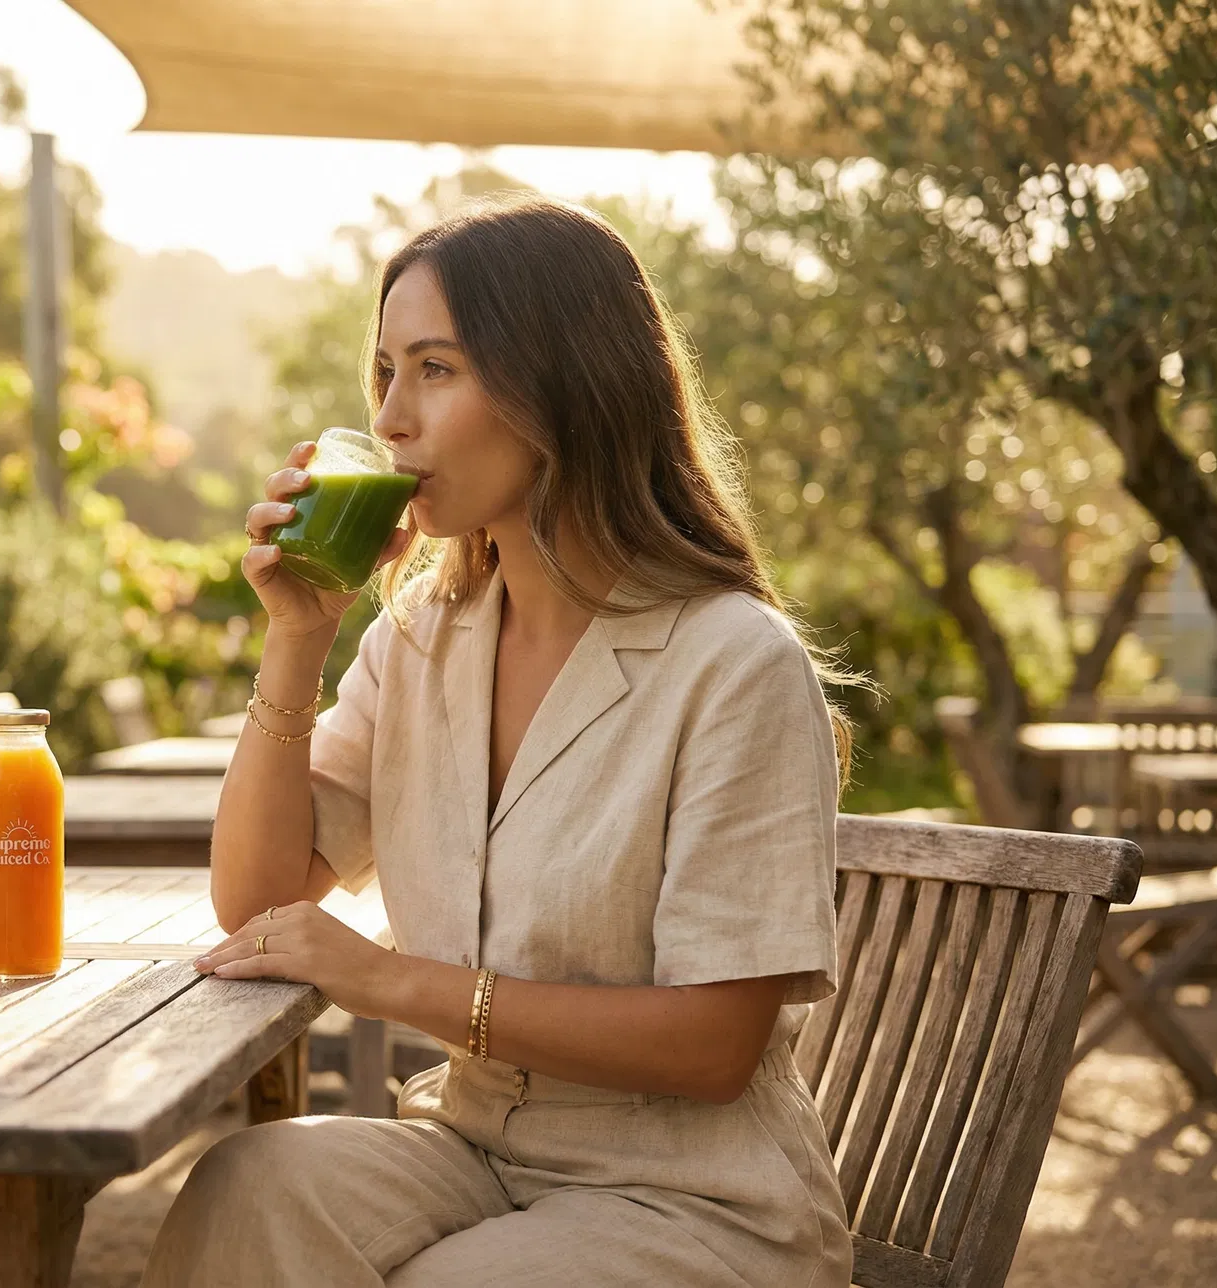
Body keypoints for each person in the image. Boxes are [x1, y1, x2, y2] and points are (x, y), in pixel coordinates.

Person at [142, 196, 856, 1287]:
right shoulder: (422, 638)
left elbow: (715, 1048)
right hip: (477, 1149)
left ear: (562, 386)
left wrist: (393, 981)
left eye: (436, 368)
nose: (389, 419)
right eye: (384, 371)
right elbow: (259, 897)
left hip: (696, 1199)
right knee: (249, 1191)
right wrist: (301, 635)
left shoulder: (734, 664)